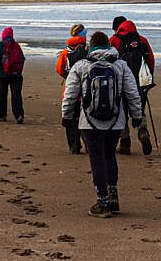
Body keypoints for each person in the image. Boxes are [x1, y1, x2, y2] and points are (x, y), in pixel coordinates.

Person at [61, 31, 143, 218]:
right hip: (116, 121)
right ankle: (113, 195)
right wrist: (137, 116)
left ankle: (102, 201)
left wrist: (66, 115)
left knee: (96, 158)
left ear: (91, 46)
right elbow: (132, 93)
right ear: (108, 46)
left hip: (89, 122)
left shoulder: (81, 65)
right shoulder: (121, 65)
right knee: (109, 155)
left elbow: (70, 93)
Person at [110, 16, 155, 155]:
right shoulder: (142, 40)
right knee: (138, 109)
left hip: (121, 82)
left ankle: (125, 142)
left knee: (121, 111)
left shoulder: (114, 40)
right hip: (140, 82)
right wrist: (148, 79)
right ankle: (143, 132)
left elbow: (110, 62)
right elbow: (150, 60)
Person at [55, 24, 88, 154]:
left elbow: (59, 68)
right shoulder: (88, 49)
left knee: (70, 117)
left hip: (70, 88)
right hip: (86, 89)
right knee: (85, 118)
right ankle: (88, 143)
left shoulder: (65, 51)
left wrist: (67, 77)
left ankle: (74, 145)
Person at [0, 27, 25, 123]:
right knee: (16, 96)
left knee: (2, 94)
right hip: (16, 75)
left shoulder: (0, 45)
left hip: (3, 75)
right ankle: (19, 115)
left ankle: (1, 115)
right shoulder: (16, 45)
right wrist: (19, 72)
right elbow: (22, 59)